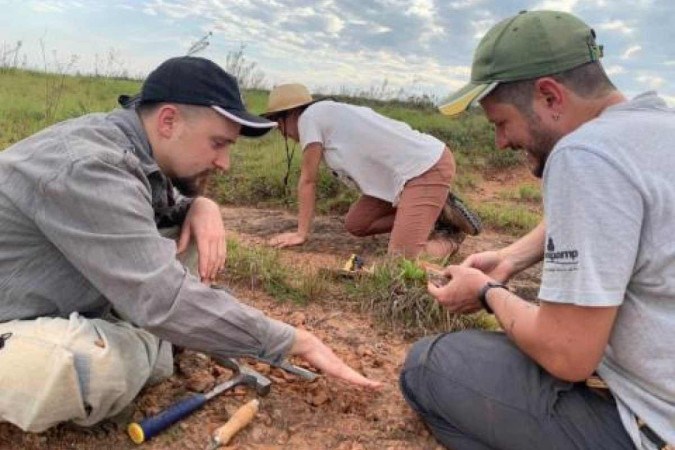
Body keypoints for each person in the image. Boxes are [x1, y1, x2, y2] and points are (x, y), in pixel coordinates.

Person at [0, 56, 380, 433]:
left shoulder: (130, 149)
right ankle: (154, 343)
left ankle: (157, 336)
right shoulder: (90, 166)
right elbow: (163, 299)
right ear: (168, 121)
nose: (225, 163)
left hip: (38, 291)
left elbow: (139, 214)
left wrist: (199, 204)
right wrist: (291, 340)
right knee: (90, 367)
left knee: (182, 232)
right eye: (218, 143)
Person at [400, 10, 674, 450]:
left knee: (428, 366)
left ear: (549, 96)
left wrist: (488, 292)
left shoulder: (585, 154)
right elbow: (610, 218)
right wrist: (511, 258)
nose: (501, 142)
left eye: (501, 123)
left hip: (652, 424)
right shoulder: (654, 130)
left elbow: (566, 353)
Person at [261, 83, 482, 259]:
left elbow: (308, 180)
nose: (281, 133)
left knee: (402, 261)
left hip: (425, 168)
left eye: (277, 122)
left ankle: (452, 237)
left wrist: (301, 234)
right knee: (357, 224)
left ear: (289, 114)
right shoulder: (327, 113)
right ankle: (435, 215)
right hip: (404, 178)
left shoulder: (309, 118)